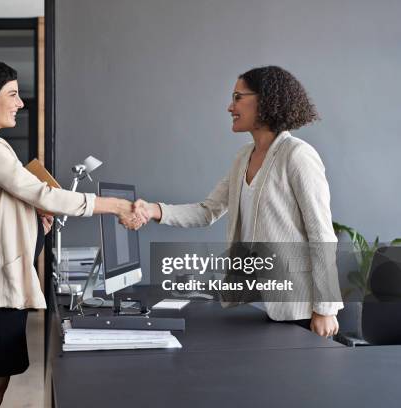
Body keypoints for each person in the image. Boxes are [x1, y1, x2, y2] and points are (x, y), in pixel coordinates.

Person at [0, 60, 141, 408]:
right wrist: (112, 205)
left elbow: (1, 207)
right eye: (12, 94)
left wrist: (32, 222)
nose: (20, 103)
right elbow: (43, 193)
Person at [129, 66, 343, 337]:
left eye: (238, 97)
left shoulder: (298, 155)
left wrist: (326, 309)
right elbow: (207, 211)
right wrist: (153, 210)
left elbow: (322, 234)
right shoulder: (243, 157)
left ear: (265, 101)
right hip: (259, 305)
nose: (230, 106)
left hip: (299, 311)